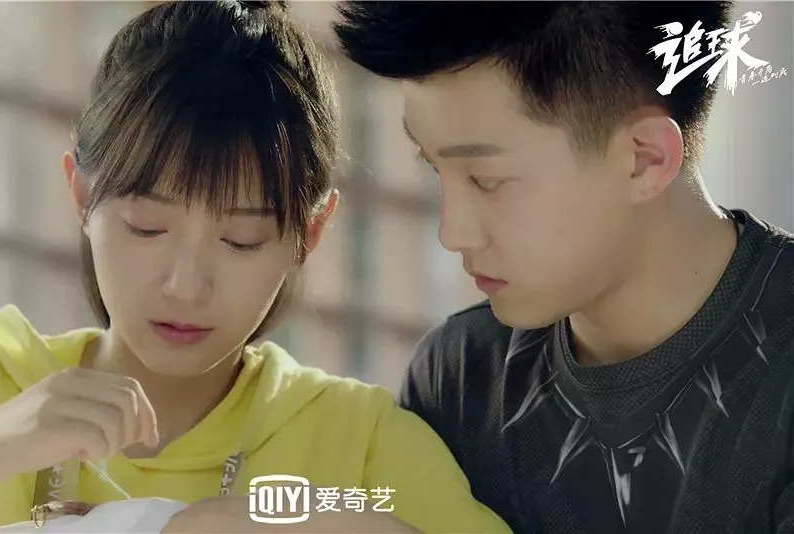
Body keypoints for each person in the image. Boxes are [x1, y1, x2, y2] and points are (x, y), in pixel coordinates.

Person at [0, 2, 513, 533]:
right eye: (147, 227)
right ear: (81, 196)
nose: (186, 286)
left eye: (242, 239)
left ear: (309, 233)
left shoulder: (356, 445)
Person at [334, 2, 794, 533]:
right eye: (435, 168)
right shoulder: (458, 377)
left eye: (486, 180)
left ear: (644, 159)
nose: (453, 234)